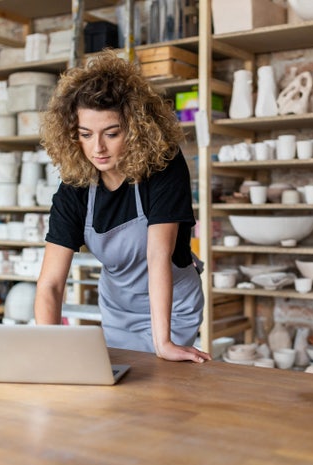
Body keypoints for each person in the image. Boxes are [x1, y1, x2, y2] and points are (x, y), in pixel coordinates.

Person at [34, 50, 210, 364]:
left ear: (136, 129)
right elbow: (50, 284)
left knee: (158, 385)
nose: (97, 148)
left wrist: (164, 342)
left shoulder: (164, 166)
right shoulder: (75, 188)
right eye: (85, 135)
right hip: (117, 309)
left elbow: (158, 256)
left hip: (171, 307)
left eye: (111, 133)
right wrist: (49, 352)